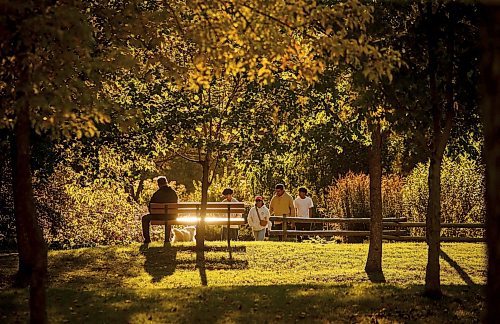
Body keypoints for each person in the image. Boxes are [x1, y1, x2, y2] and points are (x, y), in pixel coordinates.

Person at [142, 176, 178, 244]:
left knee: (144, 218)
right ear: (166, 182)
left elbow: (150, 206)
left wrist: (153, 213)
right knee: (168, 217)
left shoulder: (156, 194)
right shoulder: (173, 193)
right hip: (171, 216)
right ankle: (167, 240)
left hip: (158, 216)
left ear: (158, 184)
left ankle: (147, 240)